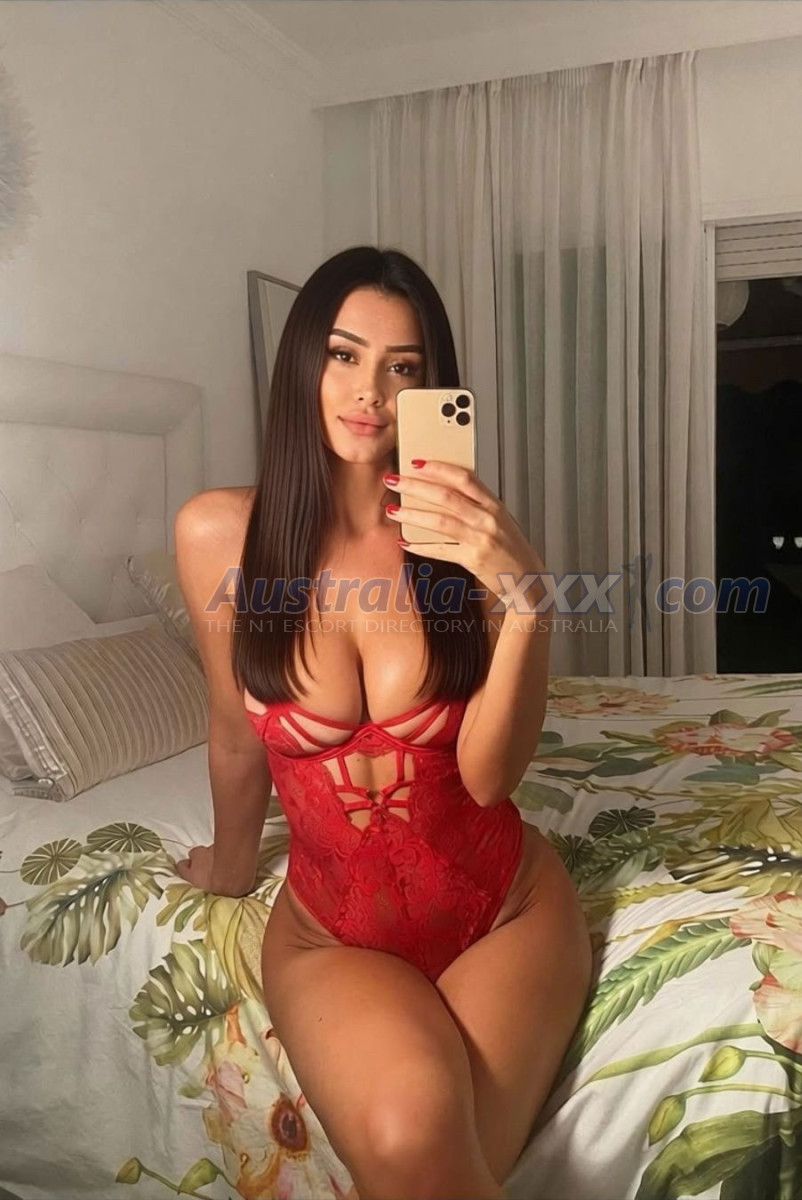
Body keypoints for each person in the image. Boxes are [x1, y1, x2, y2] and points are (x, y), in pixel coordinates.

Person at [173, 246, 594, 1200]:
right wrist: (231, 867)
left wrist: (526, 602)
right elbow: (234, 731)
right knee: (412, 1137)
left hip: (507, 912)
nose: (370, 390)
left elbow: (487, 779)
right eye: (343, 354)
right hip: (335, 937)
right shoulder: (217, 535)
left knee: (443, 1167)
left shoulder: (462, 541)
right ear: (302, 363)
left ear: (430, 388)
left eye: (403, 366)